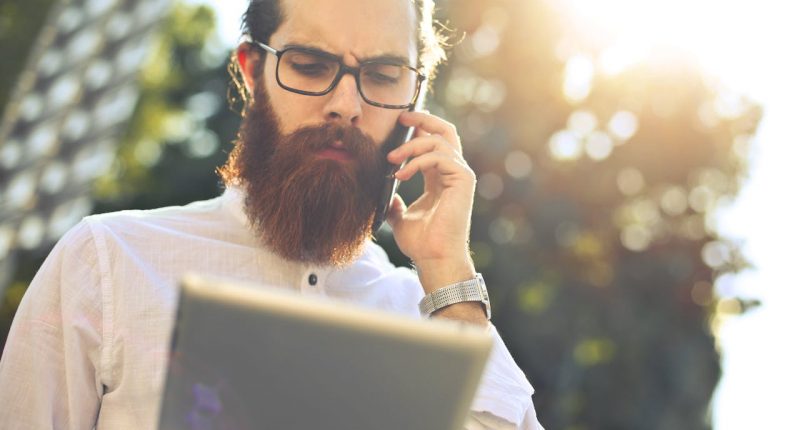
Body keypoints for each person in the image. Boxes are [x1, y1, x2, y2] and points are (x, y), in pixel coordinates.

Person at [0, 0, 544, 428]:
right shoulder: (108, 264)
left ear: (416, 97)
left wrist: (449, 270)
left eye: (382, 76)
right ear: (250, 71)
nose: (346, 105)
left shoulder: (429, 313)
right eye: (310, 66)